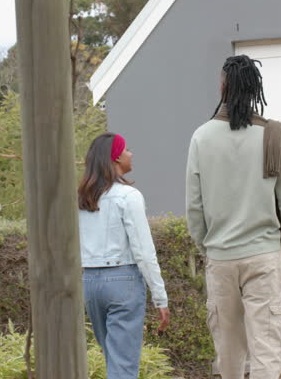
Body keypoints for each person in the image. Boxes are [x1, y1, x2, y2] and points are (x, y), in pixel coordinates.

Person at [185, 54, 281, 379]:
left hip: (221, 258)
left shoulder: (202, 137)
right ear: (255, 89)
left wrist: (207, 248)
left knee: (228, 353)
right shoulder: (273, 136)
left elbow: (194, 208)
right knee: (266, 350)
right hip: (264, 256)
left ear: (223, 87)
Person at [78, 132, 170, 379]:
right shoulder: (129, 196)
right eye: (127, 149)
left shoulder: (83, 198)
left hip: (90, 283)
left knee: (114, 361)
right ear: (116, 157)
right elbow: (144, 252)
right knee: (124, 367)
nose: (131, 154)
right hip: (123, 281)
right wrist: (160, 297)